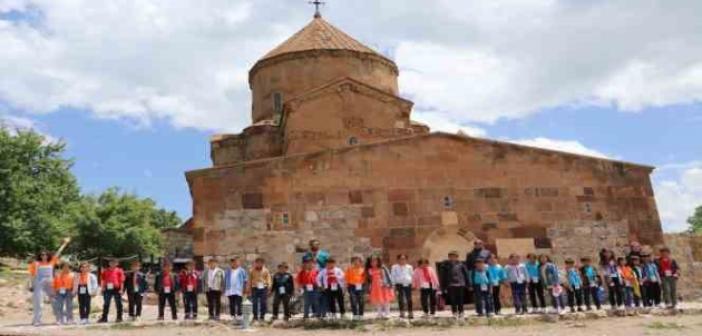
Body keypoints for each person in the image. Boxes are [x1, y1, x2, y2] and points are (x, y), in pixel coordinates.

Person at [28, 237, 70, 326]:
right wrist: (31, 284)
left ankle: (59, 319)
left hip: (50, 283)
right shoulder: (35, 264)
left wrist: (64, 244)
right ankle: (37, 320)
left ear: (48, 255)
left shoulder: (52, 262)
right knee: (38, 302)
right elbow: (31, 275)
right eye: (42, 255)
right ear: (40, 256)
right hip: (39, 283)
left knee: (55, 301)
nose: (44, 256)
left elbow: (58, 252)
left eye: (46, 254)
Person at [440, 251, 470, 319]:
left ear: (457, 257)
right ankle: (454, 312)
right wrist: (443, 287)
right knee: (453, 300)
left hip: (460, 284)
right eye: (451, 256)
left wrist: (468, 284)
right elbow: (443, 277)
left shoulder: (461, 265)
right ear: (449, 257)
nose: (452, 258)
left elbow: (466, 274)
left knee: (460, 299)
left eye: (454, 256)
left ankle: (461, 312)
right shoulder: (445, 266)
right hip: (451, 285)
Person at [99, 257, 125, 323]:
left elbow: (122, 281)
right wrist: (102, 288)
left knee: (118, 303)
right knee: (106, 303)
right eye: (111, 262)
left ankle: (119, 317)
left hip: (117, 289)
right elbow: (103, 280)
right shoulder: (105, 270)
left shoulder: (119, 270)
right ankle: (104, 318)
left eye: (114, 262)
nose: (112, 264)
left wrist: (121, 289)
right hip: (107, 289)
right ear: (109, 263)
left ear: (117, 263)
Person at [224, 256, 248, 322]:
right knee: (231, 303)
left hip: (238, 290)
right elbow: (225, 280)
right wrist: (225, 289)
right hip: (230, 289)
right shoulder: (228, 271)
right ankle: (232, 315)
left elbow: (245, 280)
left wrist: (245, 289)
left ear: (238, 262)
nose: (234, 263)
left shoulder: (242, 270)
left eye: (235, 262)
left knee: (239, 303)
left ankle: (239, 315)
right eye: (232, 262)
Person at [391, 254, 414, 319]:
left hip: (407, 284)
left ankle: (410, 313)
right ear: (398, 260)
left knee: (409, 299)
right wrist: (393, 284)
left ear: (406, 260)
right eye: (401, 259)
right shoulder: (394, 267)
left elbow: (412, 275)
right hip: (399, 284)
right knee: (400, 299)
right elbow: (393, 276)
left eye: (404, 259)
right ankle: (402, 313)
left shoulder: (409, 267)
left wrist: (413, 283)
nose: (402, 260)